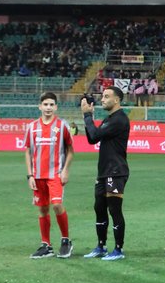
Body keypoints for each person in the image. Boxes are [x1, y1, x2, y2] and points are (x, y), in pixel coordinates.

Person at [80, 87, 130, 261]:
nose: (102, 99)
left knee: (114, 209)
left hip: (116, 171)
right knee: (99, 208)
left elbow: (94, 134)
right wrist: (88, 117)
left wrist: (87, 116)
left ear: (116, 100)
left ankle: (118, 250)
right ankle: (101, 246)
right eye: (102, 96)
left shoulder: (119, 119)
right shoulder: (109, 119)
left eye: (107, 96)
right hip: (104, 171)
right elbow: (92, 138)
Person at [25, 91, 74, 259]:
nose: (48, 107)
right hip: (37, 175)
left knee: (57, 205)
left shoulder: (62, 126)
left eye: (51, 104)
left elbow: (70, 150)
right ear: (40, 106)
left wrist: (66, 170)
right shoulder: (31, 127)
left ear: (56, 107)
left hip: (56, 174)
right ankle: (46, 245)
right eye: (45, 104)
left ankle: (66, 241)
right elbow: (27, 151)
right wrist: (30, 175)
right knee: (42, 209)